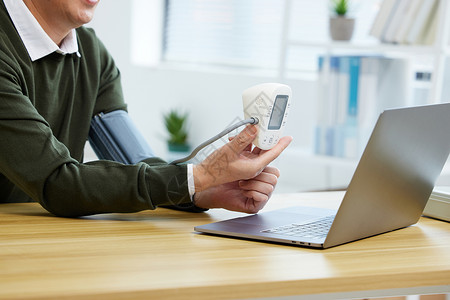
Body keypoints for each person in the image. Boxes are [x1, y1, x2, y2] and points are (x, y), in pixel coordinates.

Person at [0, 0, 292, 217]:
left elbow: (133, 161)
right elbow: (58, 183)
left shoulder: (91, 53)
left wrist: (202, 191)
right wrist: (199, 176)